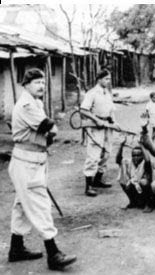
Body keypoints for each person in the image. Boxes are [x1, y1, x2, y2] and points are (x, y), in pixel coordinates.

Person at [7, 68, 77, 270]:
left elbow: (49, 132)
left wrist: (48, 134)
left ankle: (16, 249)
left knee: (22, 206)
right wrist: (50, 132)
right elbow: (51, 128)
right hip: (26, 162)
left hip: (33, 160)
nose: (41, 86)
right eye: (37, 82)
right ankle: (53, 253)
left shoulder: (36, 103)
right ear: (26, 85)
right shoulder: (27, 104)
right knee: (41, 205)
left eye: (43, 83)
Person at [80, 69, 120, 196]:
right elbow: (83, 110)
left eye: (109, 79)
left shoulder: (107, 93)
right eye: (106, 79)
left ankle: (98, 179)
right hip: (95, 127)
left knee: (107, 153)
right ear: (99, 79)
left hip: (107, 126)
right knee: (94, 156)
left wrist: (114, 123)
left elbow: (111, 110)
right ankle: (88, 186)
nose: (108, 81)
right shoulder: (92, 93)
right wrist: (97, 120)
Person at [116, 137, 155, 213]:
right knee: (123, 181)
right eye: (134, 155)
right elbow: (118, 160)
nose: (136, 158)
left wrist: (141, 144)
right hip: (136, 189)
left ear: (142, 156)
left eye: (138, 156)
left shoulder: (146, 163)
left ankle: (149, 204)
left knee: (143, 182)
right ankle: (133, 202)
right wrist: (121, 145)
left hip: (149, 192)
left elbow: (148, 159)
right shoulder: (129, 162)